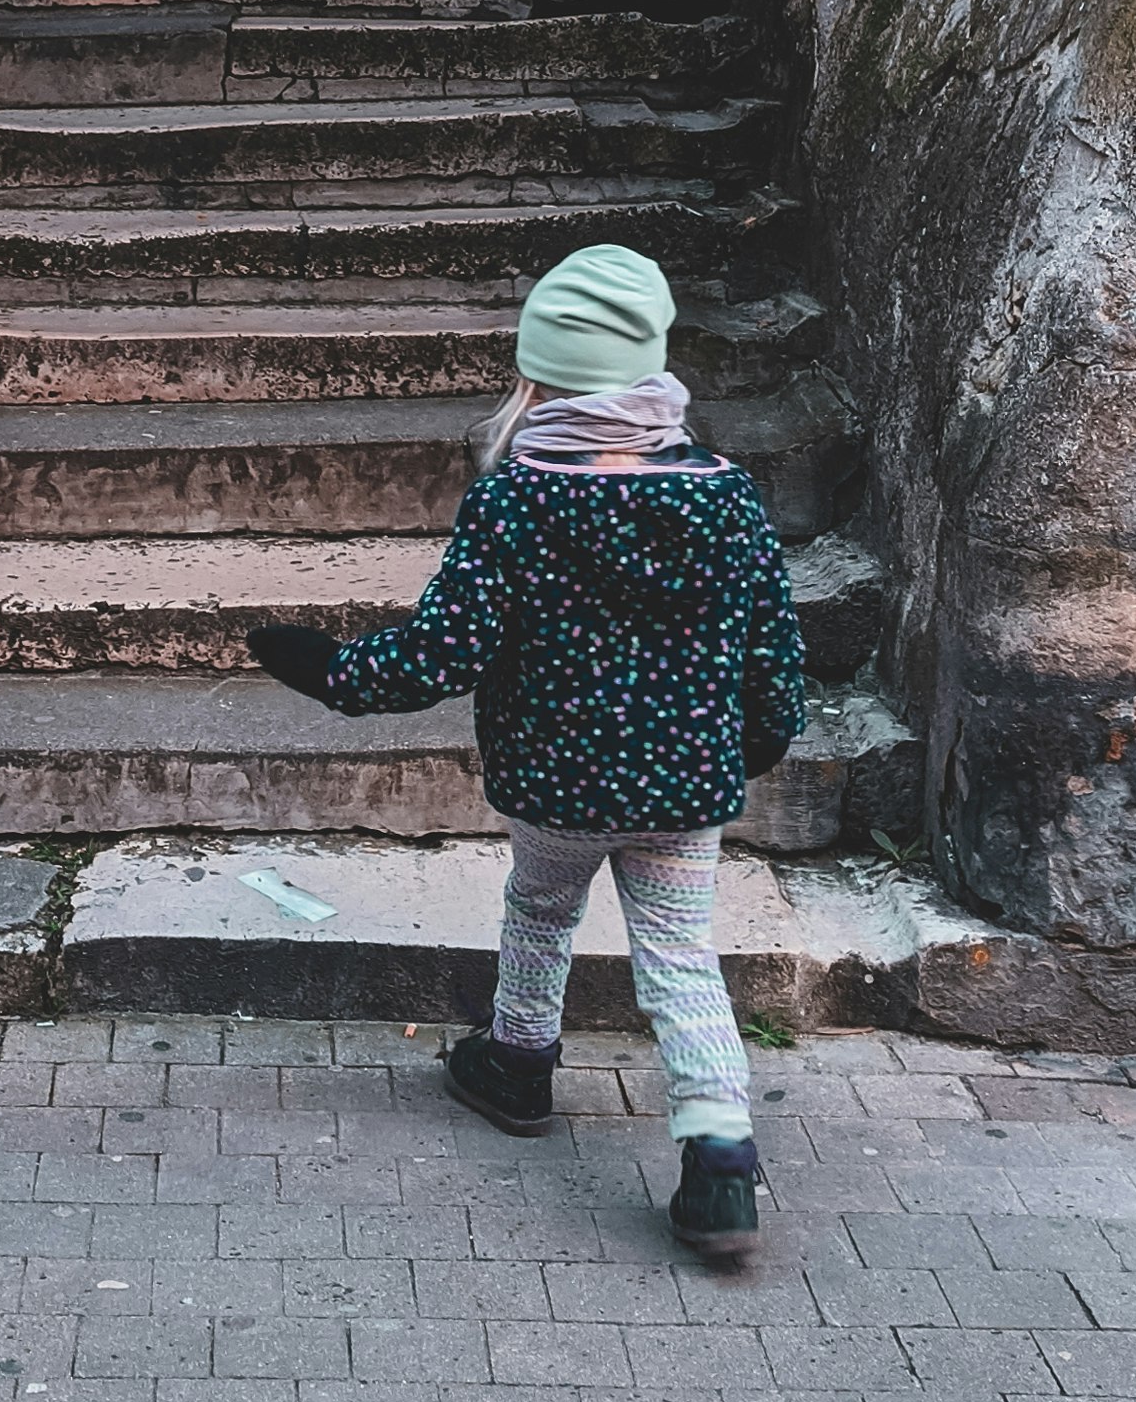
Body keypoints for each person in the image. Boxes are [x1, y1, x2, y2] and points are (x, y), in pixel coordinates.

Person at [246, 240, 804, 1257]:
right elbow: (773, 646)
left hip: (554, 781)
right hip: (684, 785)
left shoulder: (518, 497)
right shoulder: (726, 495)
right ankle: (720, 1159)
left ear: (541, 370)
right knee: (680, 955)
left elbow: (441, 649)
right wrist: (755, 741)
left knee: (542, 909)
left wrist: (333, 673)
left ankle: (516, 1062)